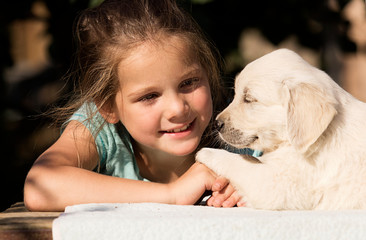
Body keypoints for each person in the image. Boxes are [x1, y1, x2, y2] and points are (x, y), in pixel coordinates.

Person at [23, 0, 245, 212]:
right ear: (108, 107)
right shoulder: (100, 128)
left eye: (188, 83)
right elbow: (39, 187)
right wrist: (172, 194)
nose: (178, 108)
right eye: (149, 96)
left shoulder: (242, 126)